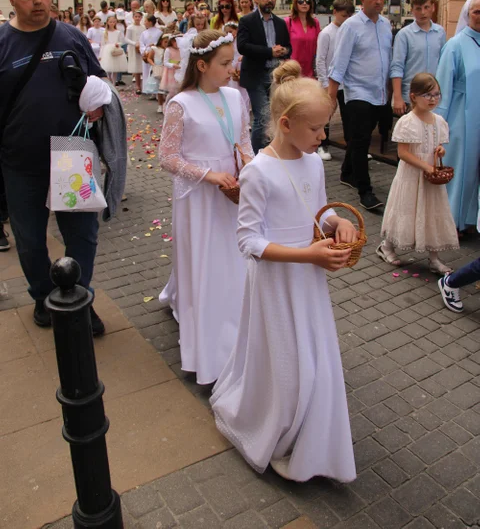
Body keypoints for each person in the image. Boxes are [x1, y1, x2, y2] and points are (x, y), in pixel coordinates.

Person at [211, 59, 356, 483]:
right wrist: (307, 255)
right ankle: (273, 421)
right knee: (289, 365)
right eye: (316, 130)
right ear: (287, 124)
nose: (323, 136)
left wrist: (337, 222)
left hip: (307, 281)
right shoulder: (258, 171)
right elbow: (248, 241)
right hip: (277, 282)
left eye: (324, 128)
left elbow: (317, 212)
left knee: (314, 358)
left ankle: (314, 435)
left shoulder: (313, 161)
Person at [0, 0, 109, 333]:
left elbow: (99, 81)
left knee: (82, 236)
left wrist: (98, 101)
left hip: (71, 154)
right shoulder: (2, 43)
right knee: (29, 241)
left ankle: (79, 300)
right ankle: (44, 298)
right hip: (20, 160)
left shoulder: (70, 36)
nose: (38, 1)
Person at [158, 29, 254, 384]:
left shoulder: (234, 96)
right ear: (202, 65)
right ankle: (205, 334)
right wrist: (208, 175)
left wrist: (251, 171)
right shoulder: (181, 103)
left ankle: (233, 322)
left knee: (231, 257)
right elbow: (168, 158)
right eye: (225, 63)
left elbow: (243, 142)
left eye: (233, 62)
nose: (232, 69)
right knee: (204, 259)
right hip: (199, 197)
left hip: (233, 192)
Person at [377, 73, 458, 273]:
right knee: (406, 210)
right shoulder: (407, 121)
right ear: (413, 96)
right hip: (411, 177)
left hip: (430, 180)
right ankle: (386, 246)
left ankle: (434, 257)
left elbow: (437, 145)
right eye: (427, 95)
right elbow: (403, 153)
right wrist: (426, 166)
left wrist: (441, 150)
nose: (432, 99)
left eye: (436, 94)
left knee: (431, 213)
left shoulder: (439, 121)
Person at [328, 0, 392, 210]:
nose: (378, 1)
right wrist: (331, 96)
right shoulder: (351, 26)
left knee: (357, 139)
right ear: (362, 0)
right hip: (357, 92)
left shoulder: (386, 25)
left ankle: (346, 173)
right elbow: (339, 63)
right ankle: (365, 191)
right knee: (362, 141)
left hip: (380, 93)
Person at [436, 0, 480, 234]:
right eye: (477, 12)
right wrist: (440, 126)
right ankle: (454, 221)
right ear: (467, 14)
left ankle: (474, 218)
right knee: (461, 169)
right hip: (462, 119)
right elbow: (442, 88)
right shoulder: (455, 44)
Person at [237, 0, 292, 154]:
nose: (270, 0)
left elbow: (289, 47)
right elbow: (242, 46)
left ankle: (270, 151)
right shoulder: (247, 21)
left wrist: (284, 51)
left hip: (275, 76)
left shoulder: (281, 23)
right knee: (263, 116)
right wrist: (270, 52)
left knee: (275, 115)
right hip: (255, 76)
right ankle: (254, 156)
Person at [390, 0, 446, 115]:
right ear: (412, 10)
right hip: (411, 96)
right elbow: (397, 66)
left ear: (433, 7)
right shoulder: (404, 35)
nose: (423, 12)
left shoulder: (440, 32)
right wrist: (397, 97)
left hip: (433, 96)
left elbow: (443, 62)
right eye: (418, 8)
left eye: (426, 7)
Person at [316, 0, 355, 160]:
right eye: (343, 15)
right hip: (330, 82)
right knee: (326, 115)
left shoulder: (351, 31)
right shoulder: (326, 33)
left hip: (346, 83)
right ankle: (321, 145)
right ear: (335, 13)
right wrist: (324, 83)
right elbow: (320, 59)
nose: (346, 19)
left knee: (349, 116)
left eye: (349, 16)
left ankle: (351, 146)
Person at [285, 0, 320, 79]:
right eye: (301, 1)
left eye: (307, 1)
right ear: (296, 4)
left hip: (310, 71)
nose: (304, 4)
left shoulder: (315, 23)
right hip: (292, 70)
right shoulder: (288, 22)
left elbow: (318, 45)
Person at [99, 15, 128, 83]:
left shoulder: (118, 32)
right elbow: (102, 44)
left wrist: (118, 44)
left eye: (113, 22)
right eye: (110, 22)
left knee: (115, 68)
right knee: (108, 68)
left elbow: (122, 41)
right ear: (107, 23)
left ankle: (114, 82)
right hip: (107, 51)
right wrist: (100, 55)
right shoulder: (104, 33)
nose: (112, 23)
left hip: (115, 49)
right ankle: (109, 81)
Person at [144, 33, 168, 113]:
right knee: (159, 89)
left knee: (166, 89)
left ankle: (166, 104)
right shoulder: (155, 49)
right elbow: (149, 58)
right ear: (161, 41)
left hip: (167, 70)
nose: (166, 44)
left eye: (168, 42)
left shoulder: (168, 50)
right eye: (165, 42)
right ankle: (160, 105)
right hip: (158, 69)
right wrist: (154, 65)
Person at [140, 15, 162, 96]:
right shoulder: (144, 33)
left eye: (145, 21)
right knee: (146, 71)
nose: (144, 23)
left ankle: (156, 90)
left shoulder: (159, 32)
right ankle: (147, 88)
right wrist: (144, 51)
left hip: (155, 53)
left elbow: (160, 42)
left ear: (150, 22)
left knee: (155, 71)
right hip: (146, 52)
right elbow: (141, 43)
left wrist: (154, 46)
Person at [125, 10, 144, 93]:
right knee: (136, 67)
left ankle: (143, 85)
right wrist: (134, 43)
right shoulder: (130, 27)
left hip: (142, 48)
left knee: (142, 66)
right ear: (133, 17)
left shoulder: (143, 27)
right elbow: (126, 39)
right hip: (134, 48)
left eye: (139, 17)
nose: (137, 18)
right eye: (136, 16)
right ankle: (138, 86)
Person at [159, 34, 181, 100]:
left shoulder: (181, 49)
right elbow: (165, 62)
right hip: (171, 72)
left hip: (179, 71)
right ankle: (166, 104)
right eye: (176, 42)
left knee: (179, 90)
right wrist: (172, 65)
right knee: (172, 92)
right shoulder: (168, 50)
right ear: (172, 42)